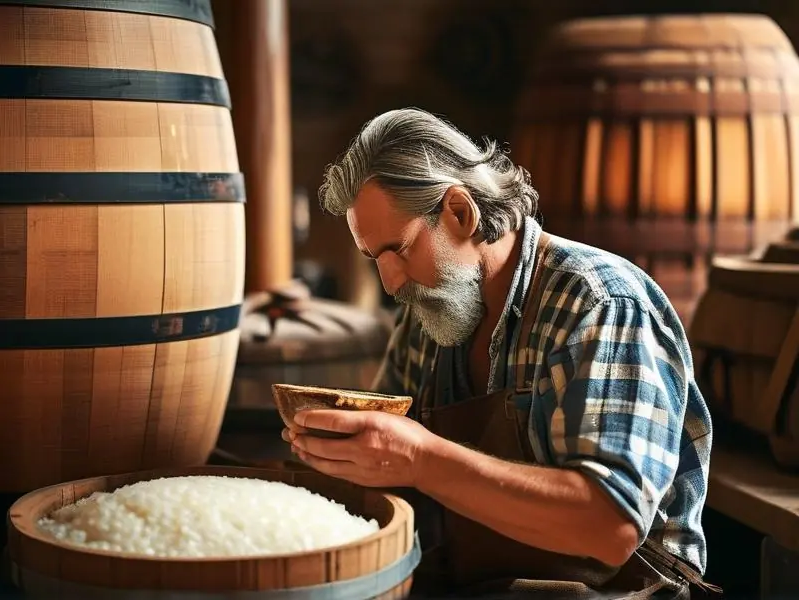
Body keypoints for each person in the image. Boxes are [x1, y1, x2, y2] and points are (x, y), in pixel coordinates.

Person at [282, 108, 721, 599]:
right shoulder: (427, 311)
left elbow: (610, 526)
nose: (390, 283)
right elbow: (385, 469)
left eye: (399, 250)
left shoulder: (600, 302)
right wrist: (339, 454)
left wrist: (419, 457)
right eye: (374, 261)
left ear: (460, 213)